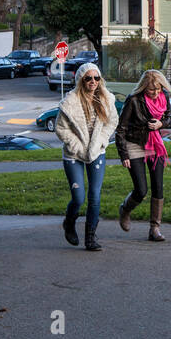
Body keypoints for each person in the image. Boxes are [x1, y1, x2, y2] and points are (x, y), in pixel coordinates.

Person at [55, 62, 118, 251]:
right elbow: (60, 128)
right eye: (88, 78)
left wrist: (101, 141)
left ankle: (90, 237)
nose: (93, 82)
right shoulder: (70, 102)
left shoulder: (106, 99)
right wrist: (76, 146)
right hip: (74, 154)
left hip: (97, 151)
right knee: (79, 197)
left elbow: (112, 122)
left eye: (96, 78)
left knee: (95, 196)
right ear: (81, 80)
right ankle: (69, 222)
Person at [115, 69, 171, 242]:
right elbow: (121, 129)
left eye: (158, 89)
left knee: (158, 186)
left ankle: (154, 228)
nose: (156, 93)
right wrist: (123, 154)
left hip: (155, 143)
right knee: (141, 190)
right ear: (143, 87)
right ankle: (125, 209)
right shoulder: (133, 100)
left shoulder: (163, 97)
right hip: (134, 144)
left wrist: (161, 123)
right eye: (151, 90)